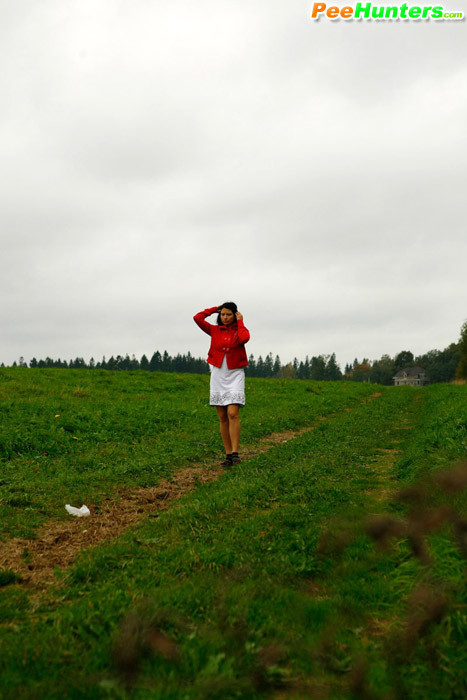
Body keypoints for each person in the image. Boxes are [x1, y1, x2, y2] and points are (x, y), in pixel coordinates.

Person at [193, 302, 250, 466]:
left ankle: (235, 453)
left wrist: (241, 322)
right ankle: (227, 455)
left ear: (235, 315)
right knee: (222, 417)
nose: (225, 317)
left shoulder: (239, 331)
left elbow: (245, 338)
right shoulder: (214, 330)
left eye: (228, 314)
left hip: (235, 374)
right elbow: (197, 318)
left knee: (233, 413)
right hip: (218, 375)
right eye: (223, 314)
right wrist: (213, 309)